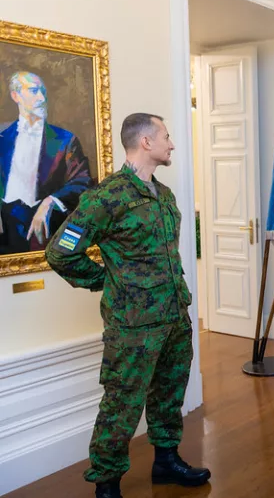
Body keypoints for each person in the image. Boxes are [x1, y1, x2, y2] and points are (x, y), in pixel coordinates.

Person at [45, 113, 210, 498]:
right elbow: (60, 252)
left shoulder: (163, 195)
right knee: (122, 405)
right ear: (146, 142)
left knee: (169, 393)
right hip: (134, 328)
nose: (172, 143)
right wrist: (106, 280)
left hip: (174, 317)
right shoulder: (107, 197)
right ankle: (107, 483)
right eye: (166, 136)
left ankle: (166, 461)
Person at [0, 71, 92, 254]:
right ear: (15, 96)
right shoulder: (2, 137)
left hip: (46, 229)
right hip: (5, 230)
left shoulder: (66, 140)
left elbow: (82, 182)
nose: (42, 98)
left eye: (43, 92)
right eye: (34, 91)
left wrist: (51, 201)